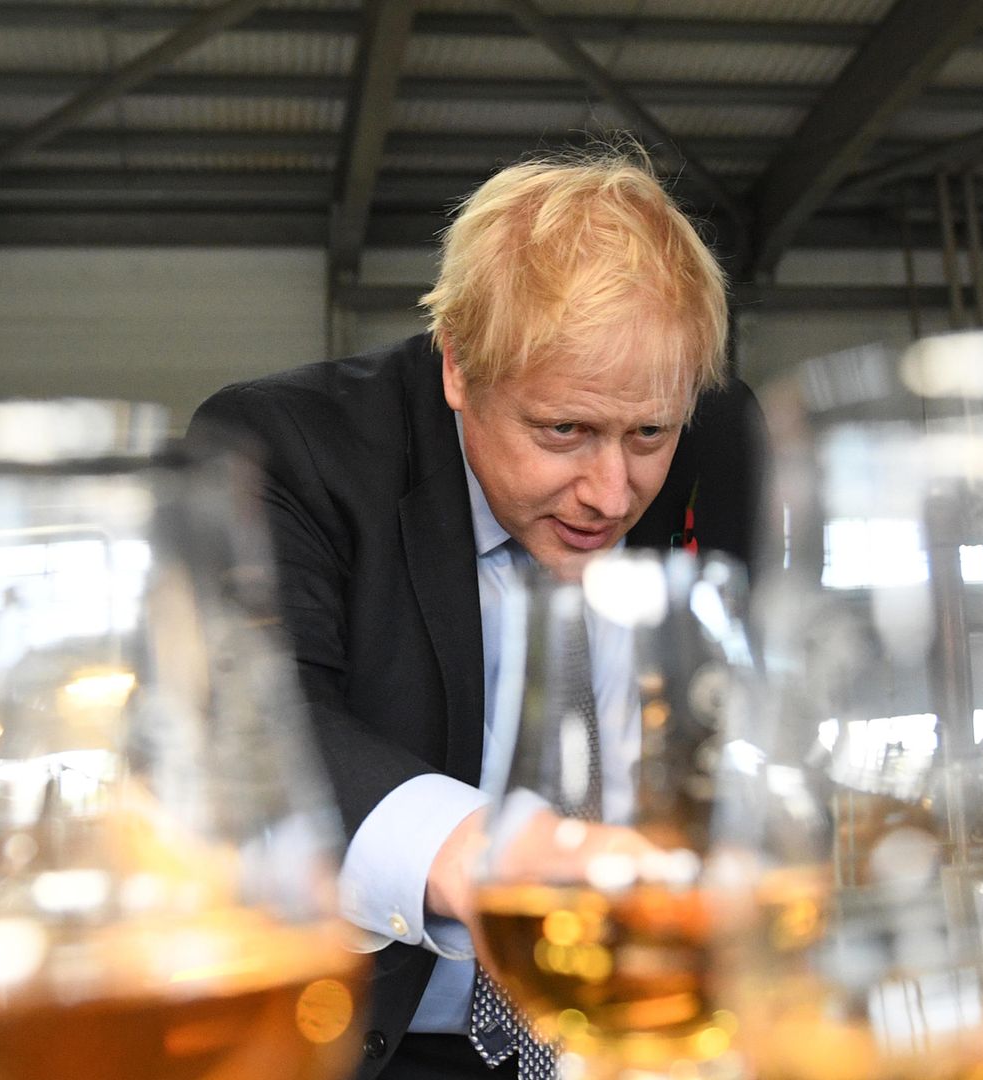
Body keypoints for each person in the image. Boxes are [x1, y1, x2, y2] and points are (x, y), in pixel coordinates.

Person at [190, 148, 764, 1080]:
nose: (612, 494)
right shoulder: (288, 447)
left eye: (648, 434)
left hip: (651, 1036)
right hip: (383, 1042)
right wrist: (487, 857)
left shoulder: (721, 441)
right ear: (458, 365)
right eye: (563, 431)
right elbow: (252, 711)